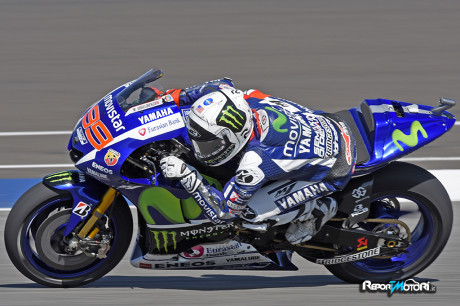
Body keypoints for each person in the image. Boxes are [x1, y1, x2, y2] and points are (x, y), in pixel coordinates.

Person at [159, 78, 356, 244]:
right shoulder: (244, 98)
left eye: (211, 144)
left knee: (250, 214)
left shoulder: (254, 165)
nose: (201, 150)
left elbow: (224, 215)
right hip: (328, 123)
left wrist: (187, 175)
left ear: (236, 135)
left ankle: (318, 211)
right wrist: (170, 97)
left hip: (333, 167)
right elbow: (219, 86)